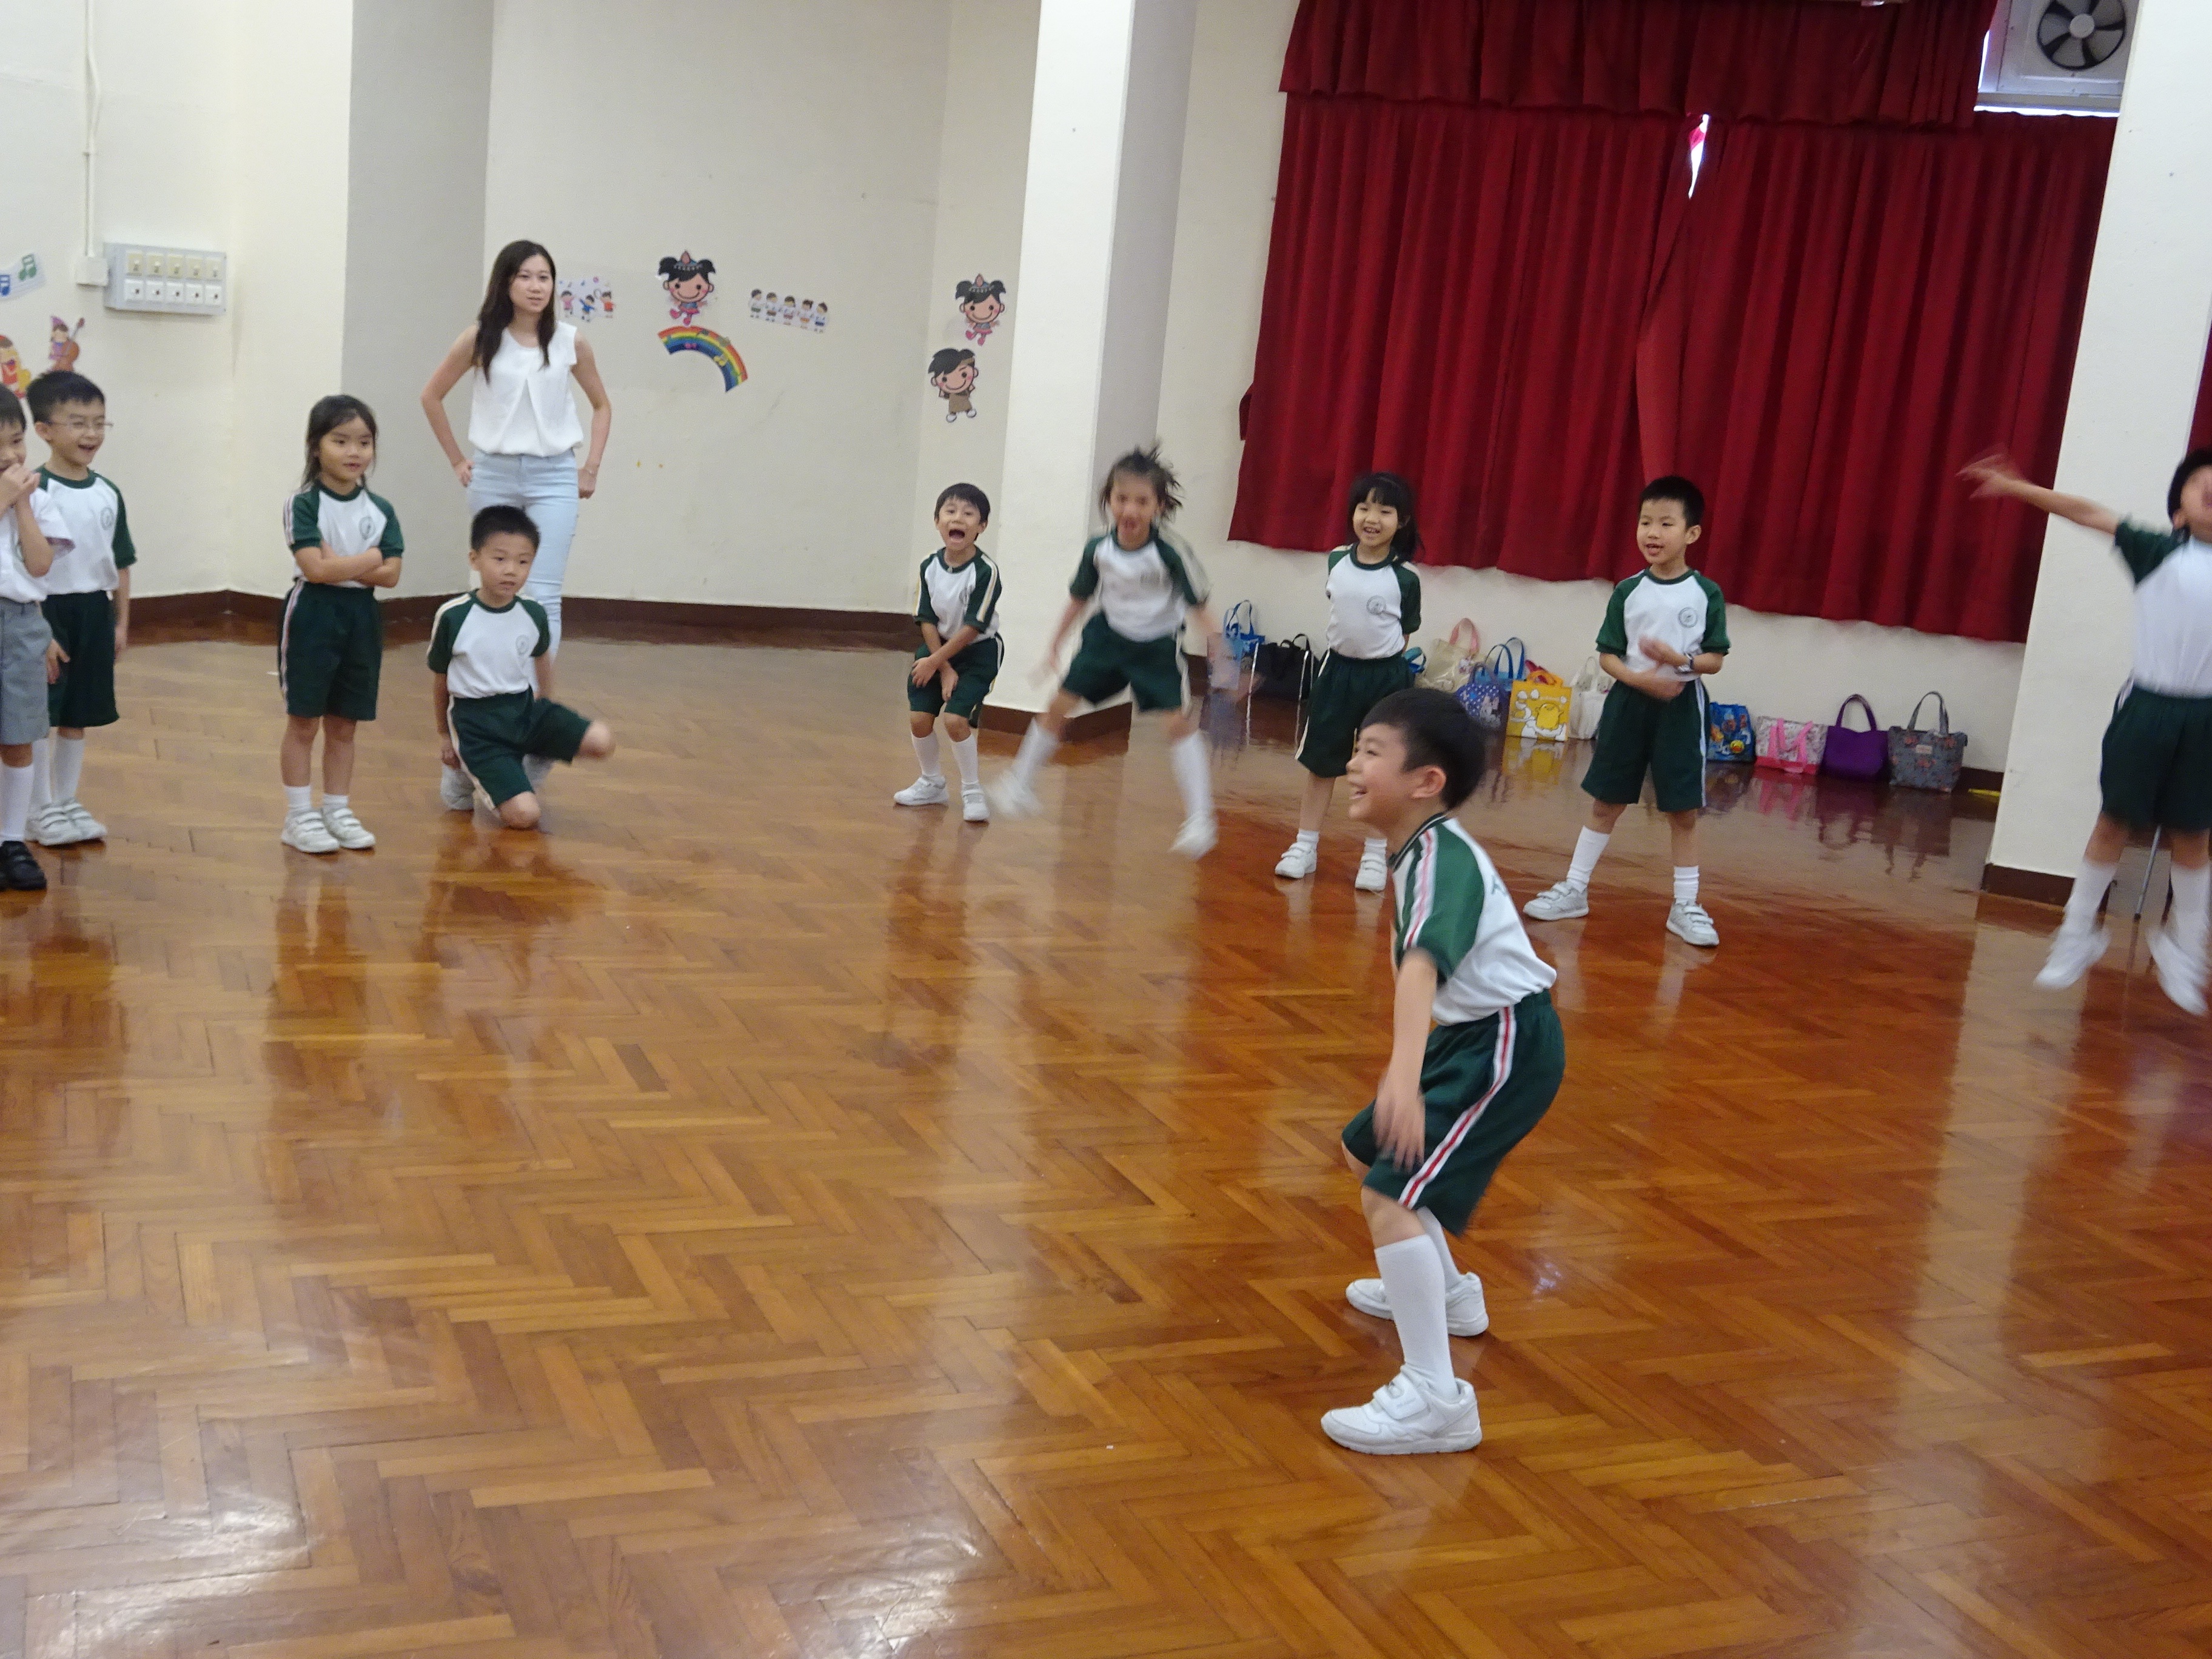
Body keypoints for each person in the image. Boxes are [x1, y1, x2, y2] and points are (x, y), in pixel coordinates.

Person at [1325, 688, 1563, 1455]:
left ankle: (1437, 1398)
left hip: (1506, 1044)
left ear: (1426, 782)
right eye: (1356, 749)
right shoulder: (1420, 848)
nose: (1352, 765)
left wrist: (1402, 1075)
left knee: (1389, 1195)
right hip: (1473, 1037)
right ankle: (1451, 1295)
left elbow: (1422, 966)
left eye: (1371, 753)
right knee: (1366, 1152)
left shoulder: (1441, 858)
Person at [1962, 447, 2212, 1014]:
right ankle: (2079, 932)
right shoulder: (2155, 551)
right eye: (2201, 481)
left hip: (2205, 719)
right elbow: (2088, 512)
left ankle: (2186, 948)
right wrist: (2018, 488)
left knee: (2194, 836)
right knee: (2113, 822)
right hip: (2148, 707)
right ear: (2178, 511)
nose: (2211, 488)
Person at [989, 445, 1226, 857]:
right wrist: (1054, 644)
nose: (1130, 509)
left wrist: (1221, 655)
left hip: (1156, 647)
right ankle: (1021, 784)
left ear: (1159, 506)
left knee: (1176, 724)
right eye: (1121, 498)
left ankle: (1200, 819)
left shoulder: (1170, 552)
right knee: (1058, 705)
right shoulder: (1098, 548)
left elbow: (1199, 606)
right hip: (1106, 639)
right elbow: (1078, 599)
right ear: (1109, 500)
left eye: (1142, 501)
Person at [1521, 477, 1729, 947]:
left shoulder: (1706, 593)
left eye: (1666, 523)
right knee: (1606, 801)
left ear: (1692, 533)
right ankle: (1574, 889)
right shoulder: (1628, 591)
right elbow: (1608, 656)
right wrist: (1642, 681)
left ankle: (1686, 905)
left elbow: (1715, 659)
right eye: (1645, 522)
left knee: (1683, 811)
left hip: (1681, 708)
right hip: (1629, 705)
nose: (1652, 532)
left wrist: (1679, 662)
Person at [420, 239, 612, 664]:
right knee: (495, 586)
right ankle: (490, 680)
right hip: (494, 474)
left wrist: (591, 468)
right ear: (505, 283)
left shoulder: (570, 341)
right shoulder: (480, 339)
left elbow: (602, 405)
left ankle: (534, 691)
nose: (536, 287)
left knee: (544, 593)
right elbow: (431, 396)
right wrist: (457, 460)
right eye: (525, 277)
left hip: (554, 476)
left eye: (544, 277)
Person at [1275, 471, 1423, 892]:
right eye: (1364, 508)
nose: (1372, 518)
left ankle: (1375, 856)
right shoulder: (1336, 560)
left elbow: (1404, 633)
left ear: (1402, 521)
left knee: (1380, 769)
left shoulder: (1406, 577)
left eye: (1385, 511)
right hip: (1337, 674)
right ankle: (1305, 846)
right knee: (1321, 763)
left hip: (1386, 679)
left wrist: (1382, 664)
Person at [430, 505, 614, 832]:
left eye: (523, 561)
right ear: (475, 559)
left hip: (524, 709)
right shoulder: (453, 616)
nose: (511, 571)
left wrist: (546, 707)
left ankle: (530, 757)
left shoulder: (533, 612)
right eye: (500, 559)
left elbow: (542, 659)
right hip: (477, 725)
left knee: (602, 741)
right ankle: (462, 772)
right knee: (525, 816)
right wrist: (445, 736)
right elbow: (440, 679)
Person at [279, 395, 403, 855]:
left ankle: (337, 808)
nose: (354, 452)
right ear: (316, 447)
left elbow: (392, 576)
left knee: (345, 724)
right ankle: (298, 815)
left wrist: (343, 563)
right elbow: (315, 570)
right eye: (341, 441)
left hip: (361, 618)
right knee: (304, 722)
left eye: (364, 442)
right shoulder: (304, 504)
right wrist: (371, 557)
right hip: (313, 614)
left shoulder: (381, 509)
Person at [25, 370, 132, 848]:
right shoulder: (32, 492)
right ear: (44, 430)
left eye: (99, 423)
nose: (91, 434)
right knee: (38, 715)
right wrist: (39, 630)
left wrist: (121, 622)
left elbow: (121, 561)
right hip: (47, 612)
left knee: (78, 713)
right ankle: (38, 808)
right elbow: (24, 568)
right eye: (77, 423)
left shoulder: (108, 492)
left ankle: (66, 801)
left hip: (94, 611)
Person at [894, 481, 1001, 824]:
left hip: (977, 651)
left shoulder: (985, 571)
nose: (958, 519)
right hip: (937, 650)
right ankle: (932, 784)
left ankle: (972, 791)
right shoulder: (929, 566)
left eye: (969, 514)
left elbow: (972, 627)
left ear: (981, 526)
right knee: (919, 719)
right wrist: (941, 667)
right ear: (937, 521)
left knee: (955, 721)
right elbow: (926, 618)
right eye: (951, 511)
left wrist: (939, 663)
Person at [0, 385, 69, 891]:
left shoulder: (38, 500)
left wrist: (21, 504)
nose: (10, 455)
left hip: (20, 623)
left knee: (19, 733)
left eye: (17, 441)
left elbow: (40, 564)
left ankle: (11, 840)